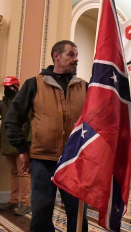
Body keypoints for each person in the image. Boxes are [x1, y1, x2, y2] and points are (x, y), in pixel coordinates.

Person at [4, 40, 89, 232]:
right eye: (71, 54)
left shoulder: (85, 86)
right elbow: (11, 120)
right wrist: (23, 150)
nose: (76, 59)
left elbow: (96, 121)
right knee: (41, 212)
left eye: (77, 55)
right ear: (56, 56)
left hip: (74, 161)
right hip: (42, 159)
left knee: (77, 213)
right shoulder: (34, 84)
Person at [0, 76, 31, 215]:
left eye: (10, 86)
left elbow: (29, 124)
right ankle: (13, 200)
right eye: (5, 87)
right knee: (14, 173)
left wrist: (26, 144)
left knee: (23, 173)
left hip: (20, 144)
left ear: (16, 87)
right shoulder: (2, 104)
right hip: (7, 143)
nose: (7, 89)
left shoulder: (23, 103)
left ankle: (25, 203)